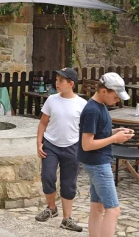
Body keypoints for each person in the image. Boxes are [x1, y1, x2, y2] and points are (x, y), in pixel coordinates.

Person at [78, 72, 133, 237]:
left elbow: (99, 133)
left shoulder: (100, 106)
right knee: (113, 209)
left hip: (96, 163)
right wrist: (114, 138)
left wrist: (116, 131)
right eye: (115, 97)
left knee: (97, 207)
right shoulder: (92, 111)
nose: (117, 101)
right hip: (98, 164)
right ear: (104, 91)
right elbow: (87, 144)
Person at [34, 68, 87, 232]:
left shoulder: (82, 104)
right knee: (47, 177)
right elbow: (43, 122)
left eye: (61, 81)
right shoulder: (51, 100)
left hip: (72, 147)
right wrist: (39, 142)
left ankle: (67, 219)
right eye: (56, 80)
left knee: (68, 183)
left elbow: (85, 129)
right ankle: (51, 208)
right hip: (51, 145)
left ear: (71, 84)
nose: (57, 83)